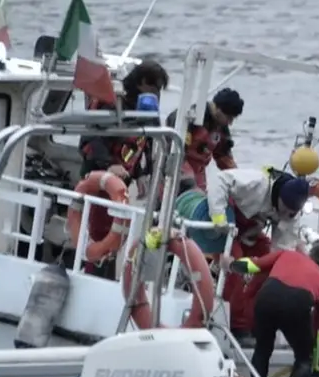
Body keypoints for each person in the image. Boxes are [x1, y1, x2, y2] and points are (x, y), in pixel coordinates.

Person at [77, 60, 169, 278]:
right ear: (142, 82)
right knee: (101, 233)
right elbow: (91, 140)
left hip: (124, 184)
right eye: (155, 88)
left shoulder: (148, 109)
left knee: (120, 234)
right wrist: (110, 164)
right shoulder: (111, 104)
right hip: (100, 181)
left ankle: (107, 274)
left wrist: (142, 174)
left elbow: (145, 142)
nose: (157, 94)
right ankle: (95, 275)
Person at [206, 167, 311, 338]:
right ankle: (234, 326)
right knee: (236, 267)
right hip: (224, 227)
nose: (287, 214)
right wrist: (219, 218)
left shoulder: (291, 214)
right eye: (285, 208)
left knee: (268, 269)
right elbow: (219, 180)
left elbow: (280, 252)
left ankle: (255, 321)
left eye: (292, 212)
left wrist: (264, 267)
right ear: (278, 197)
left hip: (250, 230)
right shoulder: (256, 182)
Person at [222, 242, 319, 377]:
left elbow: (254, 265)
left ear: (310, 253)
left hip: (267, 298)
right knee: (304, 358)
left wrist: (232, 265)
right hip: (297, 304)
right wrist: (317, 371)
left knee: (262, 350)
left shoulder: (287, 254)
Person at [165, 88, 243, 193]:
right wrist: (189, 183)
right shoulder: (187, 117)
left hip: (199, 174)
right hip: (175, 171)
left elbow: (224, 157)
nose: (230, 123)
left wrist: (238, 180)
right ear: (218, 109)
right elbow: (174, 151)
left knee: (200, 199)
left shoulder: (221, 128)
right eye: (229, 118)